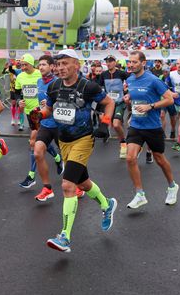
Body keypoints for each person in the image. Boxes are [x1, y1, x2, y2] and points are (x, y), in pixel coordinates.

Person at [38, 49, 118, 253]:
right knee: (83, 182)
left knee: (67, 185)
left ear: (76, 65)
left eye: (65, 63)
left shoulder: (87, 86)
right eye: (58, 64)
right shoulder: (54, 86)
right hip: (63, 140)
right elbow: (48, 109)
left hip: (83, 140)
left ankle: (65, 237)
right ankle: (107, 204)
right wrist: (38, 114)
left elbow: (109, 102)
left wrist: (105, 123)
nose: (60, 68)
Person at [123, 51, 179, 209]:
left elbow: (169, 99)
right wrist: (128, 98)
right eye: (129, 62)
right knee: (130, 158)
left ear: (143, 63)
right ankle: (139, 194)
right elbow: (134, 97)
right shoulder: (130, 79)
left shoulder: (154, 80)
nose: (131, 65)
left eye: (134, 62)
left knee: (159, 159)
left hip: (152, 126)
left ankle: (172, 186)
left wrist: (151, 106)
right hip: (136, 125)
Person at [30, 55, 63, 201]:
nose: (41, 67)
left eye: (44, 64)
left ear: (52, 67)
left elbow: (65, 104)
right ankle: (47, 188)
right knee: (37, 153)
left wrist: (52, 105)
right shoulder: (38, 81)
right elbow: (42, 105)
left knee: (69, 158)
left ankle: (79, 186)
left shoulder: (59, 83)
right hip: (45, 124)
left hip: (60, 125)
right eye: (39, 64)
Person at [14, 53, 43, 188]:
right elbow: (17, 92)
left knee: (33, 141)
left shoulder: (40, 74)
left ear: (32, 64)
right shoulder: (20, 76)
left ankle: (31, 175)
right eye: (21, 65)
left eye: (26, 65)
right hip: (28, 112)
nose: (23, 67)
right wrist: (20, 101)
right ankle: (57, 158)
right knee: (43, 142)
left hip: (42, 112)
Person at [98, 55, 130, 158]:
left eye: (110, 61)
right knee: (105, 120)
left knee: (116, 124)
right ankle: (106, 134)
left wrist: (127, 90)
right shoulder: (103, 74)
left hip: (120, 102)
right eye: (107, 62)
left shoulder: (121, 73)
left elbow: (132, 81)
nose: (108, 63)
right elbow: (100, 87)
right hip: (109, 104)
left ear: (115, 62)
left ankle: (123, 143)